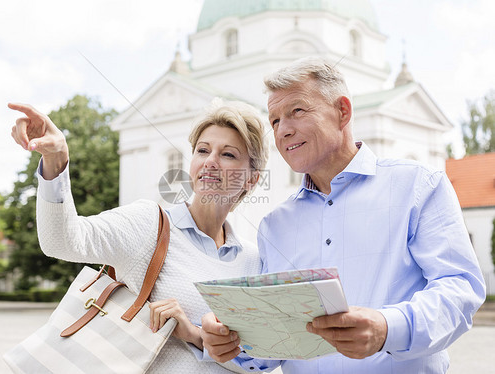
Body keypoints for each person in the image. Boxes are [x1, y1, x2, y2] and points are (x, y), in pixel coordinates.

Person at [200, 58, 486, 373]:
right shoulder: (273, 226)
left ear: (343, 112)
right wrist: (232, 343)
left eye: (297, 111)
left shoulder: (418, 186)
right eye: (275, 121)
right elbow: (274, 347)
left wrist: (387, 328)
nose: (283, 130)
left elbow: (460, 287)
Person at [9, 98, 269, 373]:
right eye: (203, 151)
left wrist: (194, 334)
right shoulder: (149, 222)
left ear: (252, 180)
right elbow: (61, 240)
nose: (211, 162)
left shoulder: (253, 261)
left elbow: (259, 363)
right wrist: (56, 159)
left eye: (228, 154)